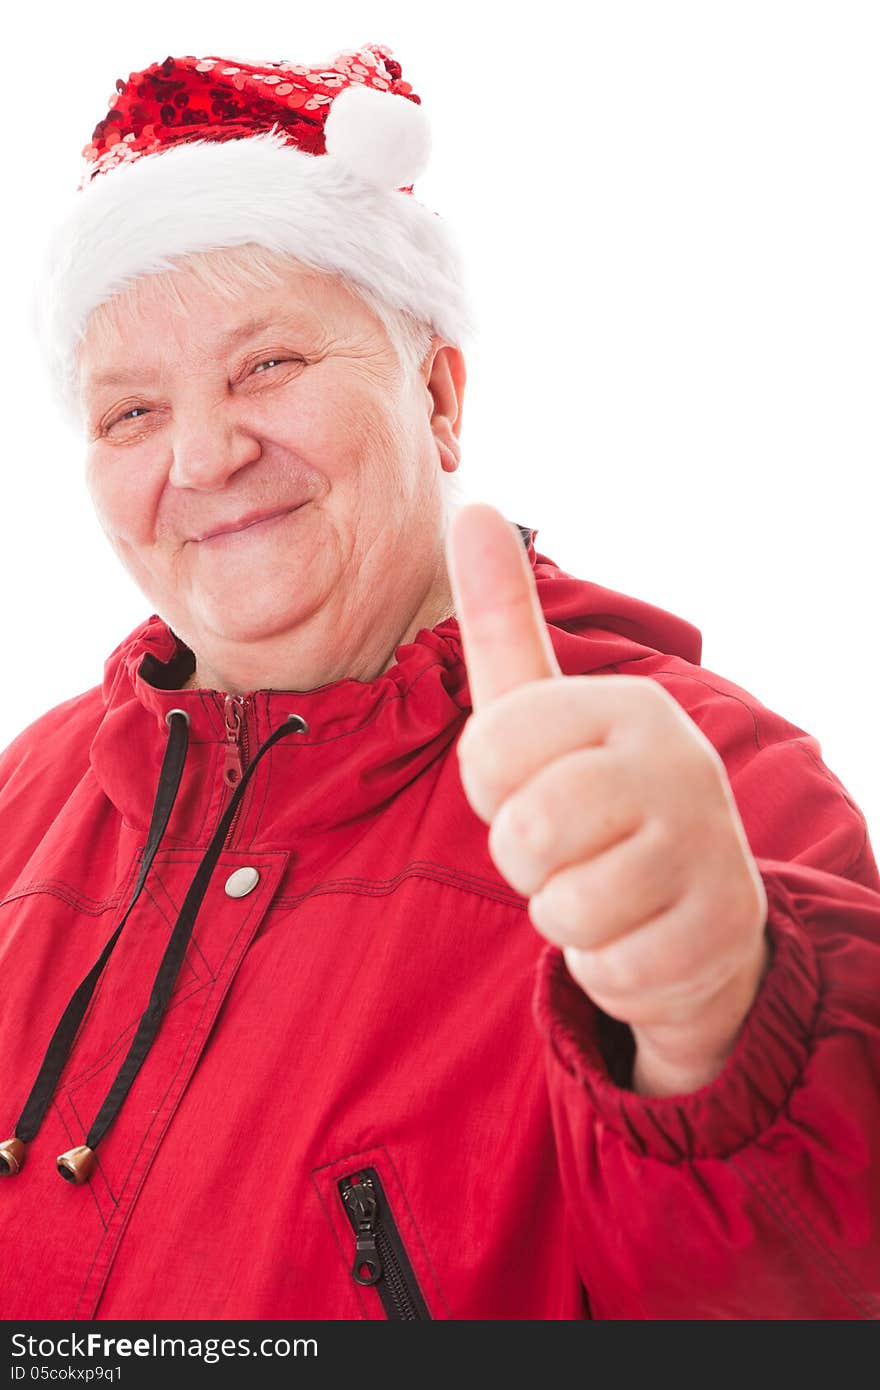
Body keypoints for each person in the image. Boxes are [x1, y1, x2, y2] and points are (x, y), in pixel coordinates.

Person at [0, 42, 877, 1322]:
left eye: (268, 366)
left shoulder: (691, 785)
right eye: (129, 412)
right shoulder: (28, 796)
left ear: (437, 391)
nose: (201, 453)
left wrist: (711, 1037)